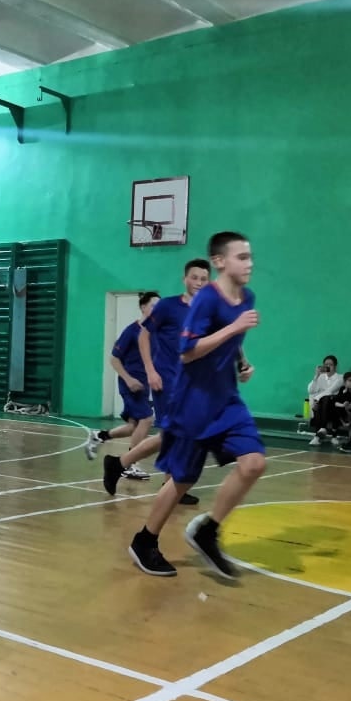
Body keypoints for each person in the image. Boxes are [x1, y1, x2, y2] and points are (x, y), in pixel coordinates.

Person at [127, 231, 264, 579]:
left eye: (250, 256)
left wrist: (242, 364)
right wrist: (233, 328)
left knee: (253, 464)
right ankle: (145, 541)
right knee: (182, 480)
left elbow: (230, 343)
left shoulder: (246, 297)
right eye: (241, 257)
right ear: (220, 261)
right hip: (194, 403)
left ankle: (207, 530)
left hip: (227, 400)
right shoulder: (206, 300)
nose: (249, 263)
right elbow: (187, 352)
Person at [100, 260, 211, 501]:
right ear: (185, 279)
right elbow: (144, 336)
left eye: (204, 278)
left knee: (175, 434)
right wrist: (150, 371)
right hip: (166, 379)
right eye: (194, 277)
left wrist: (241, 362)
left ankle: (120, 464)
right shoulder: (168, 306)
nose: (199, 282)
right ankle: (167, 486)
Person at [84, 291, 160, 480]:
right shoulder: (131, 331)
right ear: (143, 307)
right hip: (130, 383)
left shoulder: (155, 332)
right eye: (153, 305)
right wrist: (128, 379)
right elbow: (114, 359)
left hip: (144, 384)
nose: (157, 309)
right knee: (146, 419)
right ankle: (130, 464)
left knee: (134, 426)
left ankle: (100, 436)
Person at [307, 355, 343, 444]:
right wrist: (316, 376)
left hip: (334, 407)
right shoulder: (321, 377)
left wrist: (316, 399)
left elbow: (330, 391)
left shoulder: (340, 378)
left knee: (326, 398)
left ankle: (319, 433)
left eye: (331, 364)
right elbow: (311, 390)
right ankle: (320, 434)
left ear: (335, 366)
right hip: (322, 407)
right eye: (326, 364)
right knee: (320, 404)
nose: (328, 366)